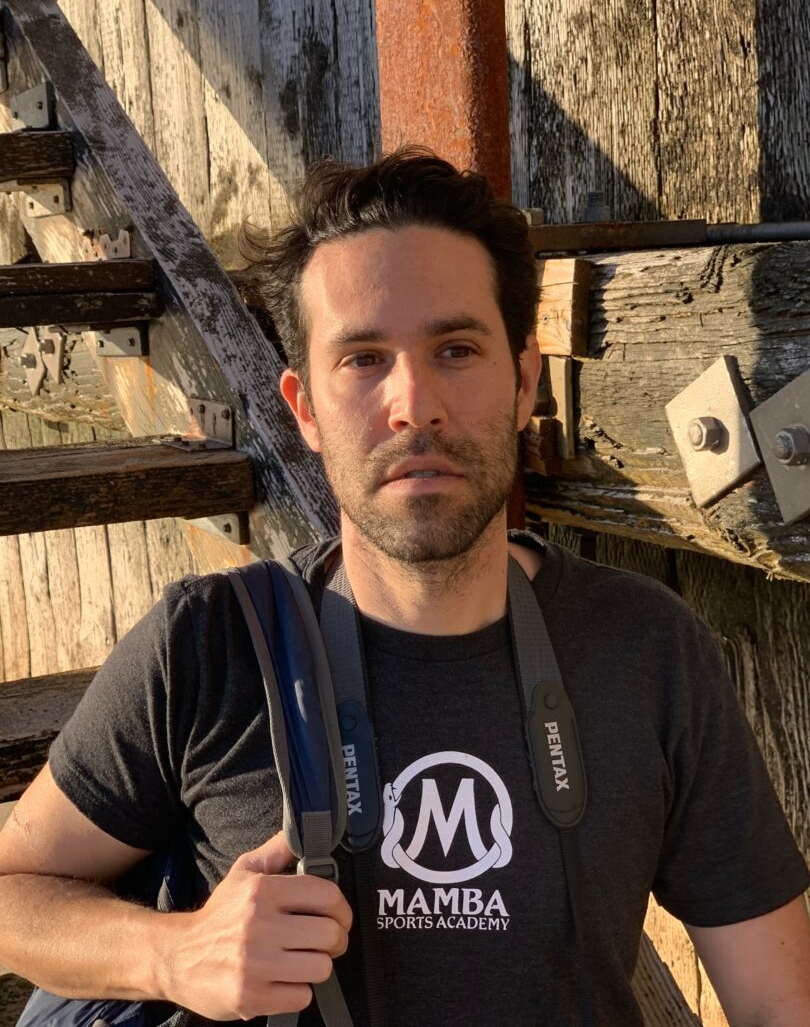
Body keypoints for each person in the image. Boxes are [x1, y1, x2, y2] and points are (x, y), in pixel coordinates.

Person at [1, 149, 809, 1027]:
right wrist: (173, 954)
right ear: (304, 409)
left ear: (524, 382)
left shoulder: (647, 648)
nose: (414, 403)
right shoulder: (205, 647)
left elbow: (778, 1003)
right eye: (363, 359)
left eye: (456, 350)